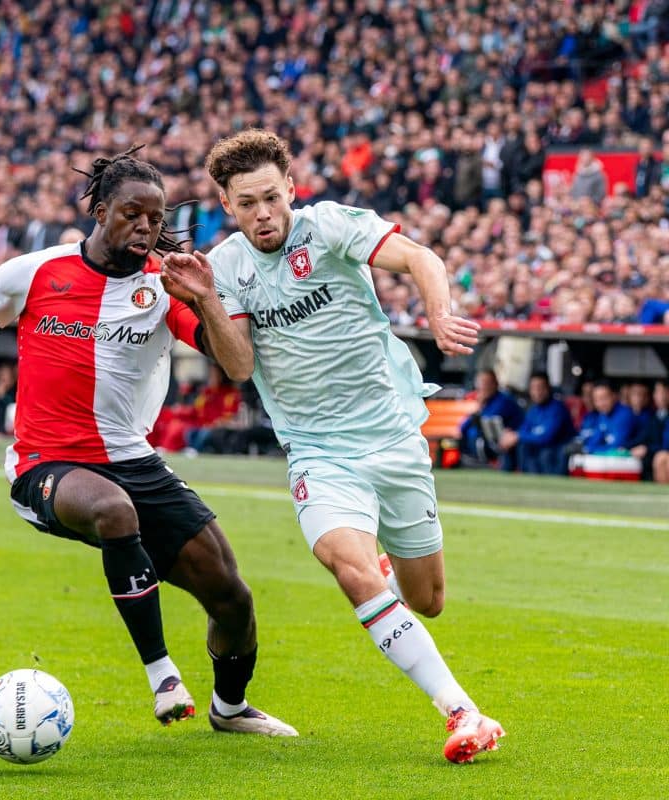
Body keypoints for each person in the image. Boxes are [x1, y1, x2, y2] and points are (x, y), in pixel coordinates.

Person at [0, 147, 295, 736]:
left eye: (155, 217)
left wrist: (205, 299)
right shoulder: (34, 272)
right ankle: (162, 673)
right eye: (131, 214)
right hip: (46, 464)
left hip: (133, 459)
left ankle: (229, 709)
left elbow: (236, 364)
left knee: (232, 596)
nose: (146, 228)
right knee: (114, 513)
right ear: (98, 210)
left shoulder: (165, 285)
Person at [162, 128, 503, 762]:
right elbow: (238, 367)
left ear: (291, 188)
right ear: (226, 205)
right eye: (246, 204)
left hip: (393, 435)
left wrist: (437, 311)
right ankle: (462, 712)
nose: (263, 214)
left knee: (426, 601)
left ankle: (386, 586)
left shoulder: (330, 226)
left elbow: (422, 258)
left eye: (271, 197)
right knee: (347, 566)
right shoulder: (227, 267)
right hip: (318, 449)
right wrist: (207, 300)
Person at [497, 373, 576, 475]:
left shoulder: (557, 409)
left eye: (540, 388)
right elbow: (523, 430)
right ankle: (506, 479)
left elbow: (547, 437)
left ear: (548, 388)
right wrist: (511, 436)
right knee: (515, 446)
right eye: (533, 388)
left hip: (554, 454)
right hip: (537, 452)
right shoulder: (533, 410)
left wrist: (517, 436)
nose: (537, 392)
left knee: (541, 452)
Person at [458, 369, 525, 468]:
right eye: (481, 384)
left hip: (510, 443)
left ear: (495, 384)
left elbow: (489, 420)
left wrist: (481, 405)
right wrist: (480, 407)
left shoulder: (504, 400)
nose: (484, 387)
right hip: (493, 444)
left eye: (487, 383)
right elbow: (462, 428)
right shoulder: (485, 402)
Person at [575, 381, 637, 454]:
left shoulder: (625, 415)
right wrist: (588, 449)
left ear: (614, 396)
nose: (600, 404)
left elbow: (616, 447)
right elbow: (593, 441)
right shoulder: (603, 415)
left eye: (604, 398)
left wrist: (591, 449)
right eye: (596, 400)